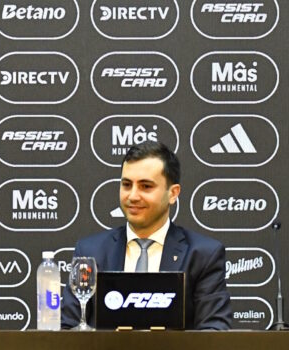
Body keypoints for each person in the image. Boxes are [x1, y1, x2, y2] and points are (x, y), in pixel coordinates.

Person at [61, 141, 231, 330]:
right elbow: (68, 328)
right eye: (126, 185)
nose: (133, 196)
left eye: (146, 186)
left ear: (173, 193)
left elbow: (214, 331)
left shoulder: (203, 255)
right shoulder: (91, 251)